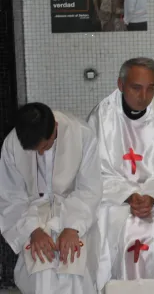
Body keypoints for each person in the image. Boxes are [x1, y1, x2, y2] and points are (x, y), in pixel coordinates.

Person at [88, 57, 154, 285]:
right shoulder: (102, 116)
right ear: (120, 84)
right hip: (115, 199)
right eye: (136, 88)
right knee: (121, 230)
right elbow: (94, 171)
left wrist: (153, 195)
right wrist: (127, 194)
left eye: (150, 88)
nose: (144, 96)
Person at [0, 103, 102, 293]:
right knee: (42, 268)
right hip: (31, 214)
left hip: (75, 211)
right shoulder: (12, 143)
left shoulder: (82, 134)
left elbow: (90, 189)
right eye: (35, 150)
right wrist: (33, 230)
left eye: (45, 147)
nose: (40, 154)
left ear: (55, 127)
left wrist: (72, 228)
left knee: (72, 266)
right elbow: (10, 197)